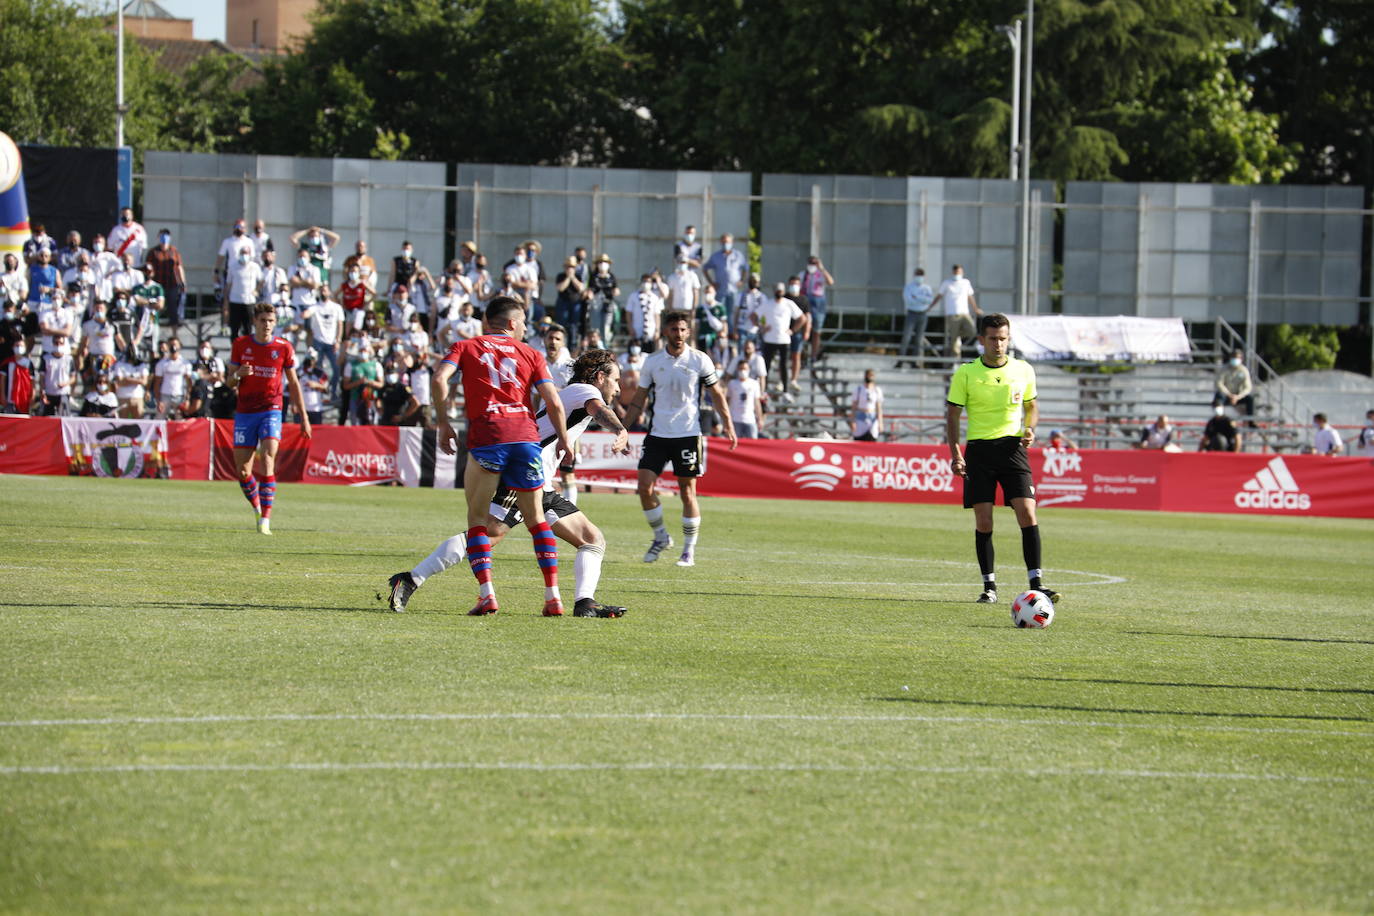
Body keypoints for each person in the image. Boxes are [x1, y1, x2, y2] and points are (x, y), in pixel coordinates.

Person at [388, 349, 631, 618]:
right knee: (488, 535)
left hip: (540, 483)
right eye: (616, 380)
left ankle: (585, 603)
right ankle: (411, 578)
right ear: (599, 377)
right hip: (525, 475)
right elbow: (599, 411)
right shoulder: (584, 391)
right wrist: (620, 429)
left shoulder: (571, 394)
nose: (618, 388)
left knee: (592, 539)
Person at [429, 295, 573, 616]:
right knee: (537, 521)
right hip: (525, 438)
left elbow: (439, 379)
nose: (525, 328)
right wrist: (563, 439)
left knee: (478, 521)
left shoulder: (465, 347)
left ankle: (487, 595)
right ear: (511, 323)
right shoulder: (531, 353)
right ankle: (553, 597)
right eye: (523, 322)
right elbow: (553, 400)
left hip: (488, 436)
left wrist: (442, 422)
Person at [945, 313, 1060, 606]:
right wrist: (956, 454)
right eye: (993, 338)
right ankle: (989, 587)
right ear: (982, 340)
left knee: (1028, 512)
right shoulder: (966, 373)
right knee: (984, 520)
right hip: (979, 452)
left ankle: (1037, 584)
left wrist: (1030, 429)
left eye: (1003, 338)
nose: (999, 344)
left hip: (1013, 449)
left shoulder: (1023, 370)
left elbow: (1032, 406)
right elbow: (953, 415)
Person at [623, 310, 738, 568]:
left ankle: (688, 551)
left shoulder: (699, 360)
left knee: (687, 492)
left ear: (689, 332)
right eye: (674, 329)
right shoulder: (652, 362)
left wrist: (728, 423)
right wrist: (623, 429)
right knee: (644, 486)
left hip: (687, 434)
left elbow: (716, 394)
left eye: (683, 330)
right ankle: (661, 536)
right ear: (665, 331)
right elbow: (639, 399)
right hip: (657, 434)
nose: (679, 334)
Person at [228, 303, 313, 535]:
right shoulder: (241, 345)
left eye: (271, 321)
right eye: (263, 320)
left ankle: (266, 519)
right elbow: (229, 381)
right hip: (245, 412)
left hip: (272, 409)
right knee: (243, 471)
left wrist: (303, 417)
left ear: (275, 323)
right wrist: (237, 375)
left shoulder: (283, 347)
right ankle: (256, 506)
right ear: (255, 321)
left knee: (267, 456)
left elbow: (294, 383)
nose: (267, 324)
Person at [754, 283, 802, 399]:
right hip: (769, 339)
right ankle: (763, 390)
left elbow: (802, 318)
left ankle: (785, 390)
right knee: (766, 365)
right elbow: (754, 316)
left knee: (784, 365)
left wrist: (792, 330)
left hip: (784, 340)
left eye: (781, 290)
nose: (779, 292)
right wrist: (761, 328)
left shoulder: (789, 304)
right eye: (777, 290)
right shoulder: (768, 304)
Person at [931, 264, 981, 358]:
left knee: (972, 331)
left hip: (964, 313)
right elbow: (939, 296)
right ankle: (955, 360)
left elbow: (970, 296)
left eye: (959, 272)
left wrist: (975, 309)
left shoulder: (966, 282)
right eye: (956, 272)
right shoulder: (947, 283)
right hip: (952, 313)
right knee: (954, 339)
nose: (958, 274)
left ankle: (958, 335)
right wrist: (930, 307)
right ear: (953, 272)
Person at [144, 228, 187, 333]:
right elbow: (148, 268)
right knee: (154, 307)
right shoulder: (153, 252)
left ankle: (174, 334)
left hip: (172, 284)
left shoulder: (174, 251)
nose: (164, 238)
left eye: (166, 236)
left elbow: (179, 267)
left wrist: (183, 282)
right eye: (162, 236)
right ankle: (152, 330)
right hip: (157, 285)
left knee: (173, 308)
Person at [702, 233, 747, 329]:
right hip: (720, 289)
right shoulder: (715, 256)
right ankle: (719, 333)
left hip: (733, 289)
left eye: (727, 242)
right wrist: (712, 283)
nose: (725, 244)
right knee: (719, 312)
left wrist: (742, 280)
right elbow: (705, 268)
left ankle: (730, 334)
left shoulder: (738, 255)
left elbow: (745, 268)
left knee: (732, 313)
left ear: (732, 242)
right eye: (724, 242)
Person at [223, 239, 261, 339]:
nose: (244, 255)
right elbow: (228, 284)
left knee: (248, 329)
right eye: (243, 253)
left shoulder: (254, 267)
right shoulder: (232, 266)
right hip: (235, 301)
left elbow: (261, 280)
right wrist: (226, 300)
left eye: (246, 253)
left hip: (249, 301)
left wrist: (256, 290)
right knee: (234, 329)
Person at [799, 255, 834, 360]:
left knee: (816, 331)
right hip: (806, 301)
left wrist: (822, 268)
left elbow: (831, 282)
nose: (812, 265)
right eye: (810, 262)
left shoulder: (820, 275)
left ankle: (814, 355)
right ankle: (802, 352)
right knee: (803, 328)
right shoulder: (803, 275)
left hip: (818, 303)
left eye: (814, 263)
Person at [899, 267, 935, 367]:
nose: (919, 277)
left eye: (921, 275)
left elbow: (930, 300)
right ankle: (901, 360)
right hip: (911, 313)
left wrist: (917, 297)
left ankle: (914, 362)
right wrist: (922, 300)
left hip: (922, 314)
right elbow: (908, 300)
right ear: (914, 276)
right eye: (918, 275)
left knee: (918, 340)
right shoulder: (909, 287)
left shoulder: (927, 288)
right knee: (906, 337)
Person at [153, 338, 193, 418]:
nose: (173, 347)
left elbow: (189, 382)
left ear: (179, 346)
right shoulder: (162, 363)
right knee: (159, 418)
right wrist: (158, 400)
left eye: (175, 344)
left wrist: (187, 398)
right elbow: (157, 382)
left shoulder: (185, 363)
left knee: (180, 419)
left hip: (180, 396)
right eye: (171, 345)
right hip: (165, 395)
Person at [726, 358, 764, 439]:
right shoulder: (732, 383)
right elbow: (727, 402)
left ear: (749, 369)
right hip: (735, 419)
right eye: (741, 369)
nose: (743, 371)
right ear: (737, 369)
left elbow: (757, 403)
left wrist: (760, 419)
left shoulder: (754, 384)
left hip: (750, 419)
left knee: (753, 444)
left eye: (745, 369)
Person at [1213, 350, 1254, 418]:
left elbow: (1248, 387)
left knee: (1250, 399)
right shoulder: (1224, 369)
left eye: (1237, 358)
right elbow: (1219, 383)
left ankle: (1251, 421)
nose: (1235, 359)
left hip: (1238, 396)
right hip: (1226, 396)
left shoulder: (1244, 370)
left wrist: (1238, 396)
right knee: (1218, 397)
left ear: (1241, 359)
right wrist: (1229, 395)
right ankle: (1219, 418)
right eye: (1233, 357)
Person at [111, 346, 149, 418]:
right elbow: (120, 382)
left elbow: (144, 381)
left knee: (138, 421)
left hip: (137, 397)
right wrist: (137, 380)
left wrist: (127, 379)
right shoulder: (119, 364)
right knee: (122, 422)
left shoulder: (141, 365)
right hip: (123, 397)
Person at [852, 368, 883, 441]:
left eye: (871, 376)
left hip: (872, 416)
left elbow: (879, 407)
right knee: (859, 438)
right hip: (861, 415)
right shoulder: (859, 389)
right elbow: (854, 406)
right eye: (868, 375)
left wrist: (880, 422)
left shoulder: (877, 390)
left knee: (872, 438)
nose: (870, 377)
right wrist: (853, 421)